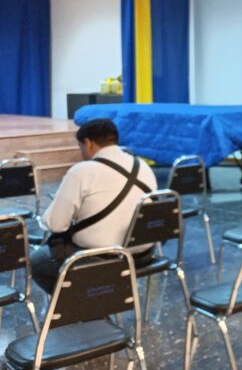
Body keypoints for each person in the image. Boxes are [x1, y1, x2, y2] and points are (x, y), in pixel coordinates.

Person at [30, 118, 156, 294]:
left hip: (99, 258)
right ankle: (100, 300)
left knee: (36, 261)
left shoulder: (82, 171)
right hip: (142, 255)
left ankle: (85, 304)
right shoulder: (142, 165)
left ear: (88, 143)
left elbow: (56, 225)